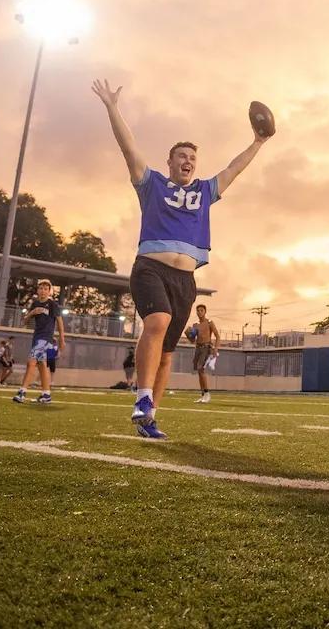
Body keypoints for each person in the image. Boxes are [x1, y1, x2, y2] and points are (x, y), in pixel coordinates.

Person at [91, 79, 271, 440]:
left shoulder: (205, 191)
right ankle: (142, 397)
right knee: (157, 321)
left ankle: (150, 417)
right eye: (181, 156)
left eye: (192, 158)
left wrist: (258, 142)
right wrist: (112, 107)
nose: (187, 161)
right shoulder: (152, 184)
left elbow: (234, 169)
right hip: (150, 268)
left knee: (168, 353)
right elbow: (129, 148)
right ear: (170, 161)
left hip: (186, 280)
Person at [14, 280, 65, 404]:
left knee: (31, 362)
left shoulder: (52, 304)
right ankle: (46, 395)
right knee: (42, 365)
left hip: (46, 338)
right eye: (41, 288)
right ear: (38, 290)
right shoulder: (35, 303)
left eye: (45, 289)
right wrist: (32, 312)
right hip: (36, 337)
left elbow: (60, 323)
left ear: (49, 291)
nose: (43, 291)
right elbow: (24, 321)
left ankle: (22, 392)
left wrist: (62, 340)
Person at [190, 304, 221, 404]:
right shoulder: (195, 325)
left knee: (201, 368)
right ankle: (203, 394)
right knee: (199, 371)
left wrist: (216, 348)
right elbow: (192, 340)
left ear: (205, 312)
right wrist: (190, 335)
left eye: (201, 310)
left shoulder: (209, 322)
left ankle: (207, 393)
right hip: (198, 348)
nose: (199, 312)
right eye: (198, 310)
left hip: (206, 347)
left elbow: (217, 336)